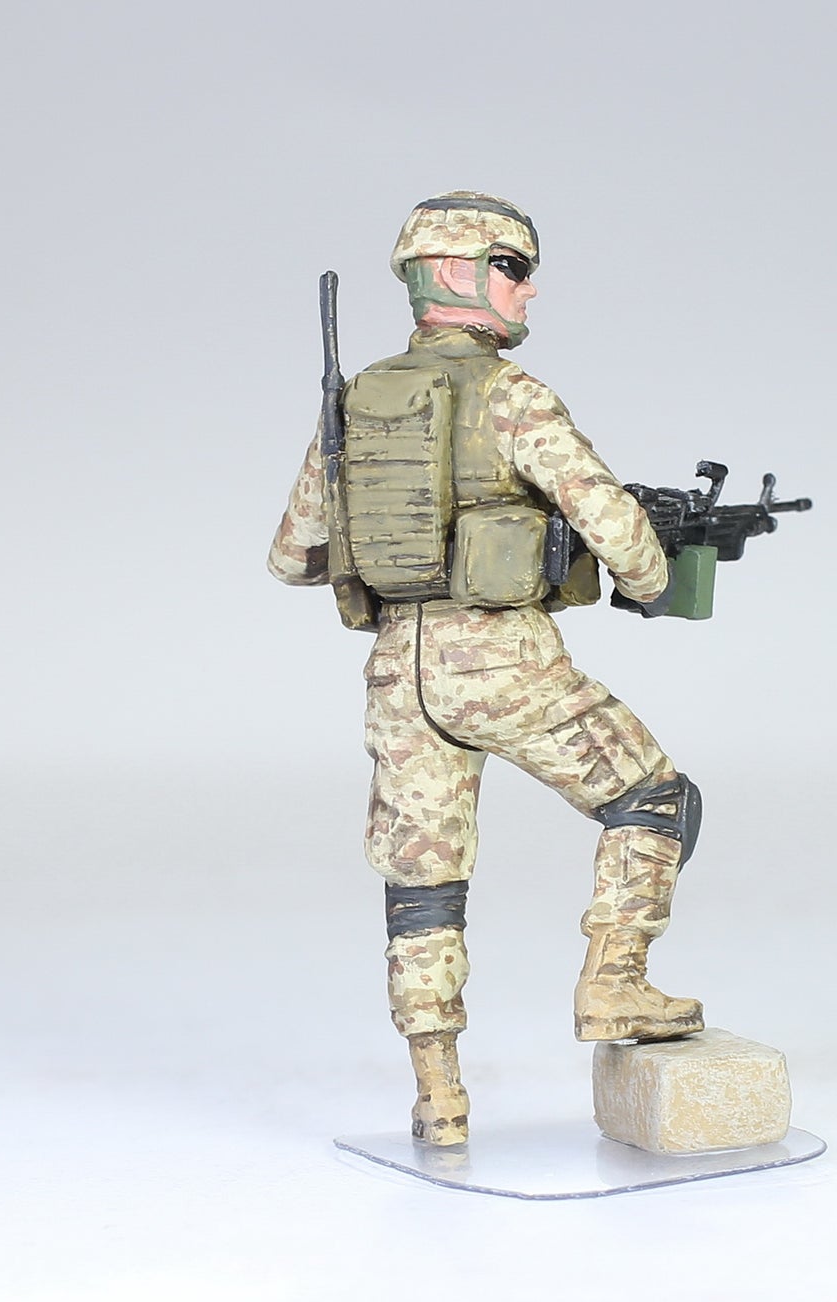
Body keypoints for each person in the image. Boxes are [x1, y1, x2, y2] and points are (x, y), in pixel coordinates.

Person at [268, 192, 702, 1145]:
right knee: (654, 796)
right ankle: (614, 983)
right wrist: (652, 574)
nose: (528, 288)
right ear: (457, 273)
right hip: (504, 662)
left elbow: (294, 555)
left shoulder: (356, 401)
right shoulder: (515, 396)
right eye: (513, 267)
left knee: (422, 884)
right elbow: (620, 534)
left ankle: (440, 1098)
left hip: (398, 673)